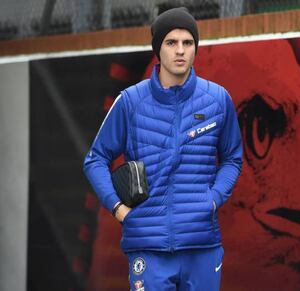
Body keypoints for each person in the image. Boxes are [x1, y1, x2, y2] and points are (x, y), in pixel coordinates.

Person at [83, 7, 243, 291]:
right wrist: (119, 209)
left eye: (188, 43)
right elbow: (95, 160)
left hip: (201, 244)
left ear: (195, 48)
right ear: (158, 49)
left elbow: (232, 159)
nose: (180, 51)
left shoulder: (218, 100)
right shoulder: (130, 101)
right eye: (171, 43)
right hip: (148, 246)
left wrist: (213, 199)